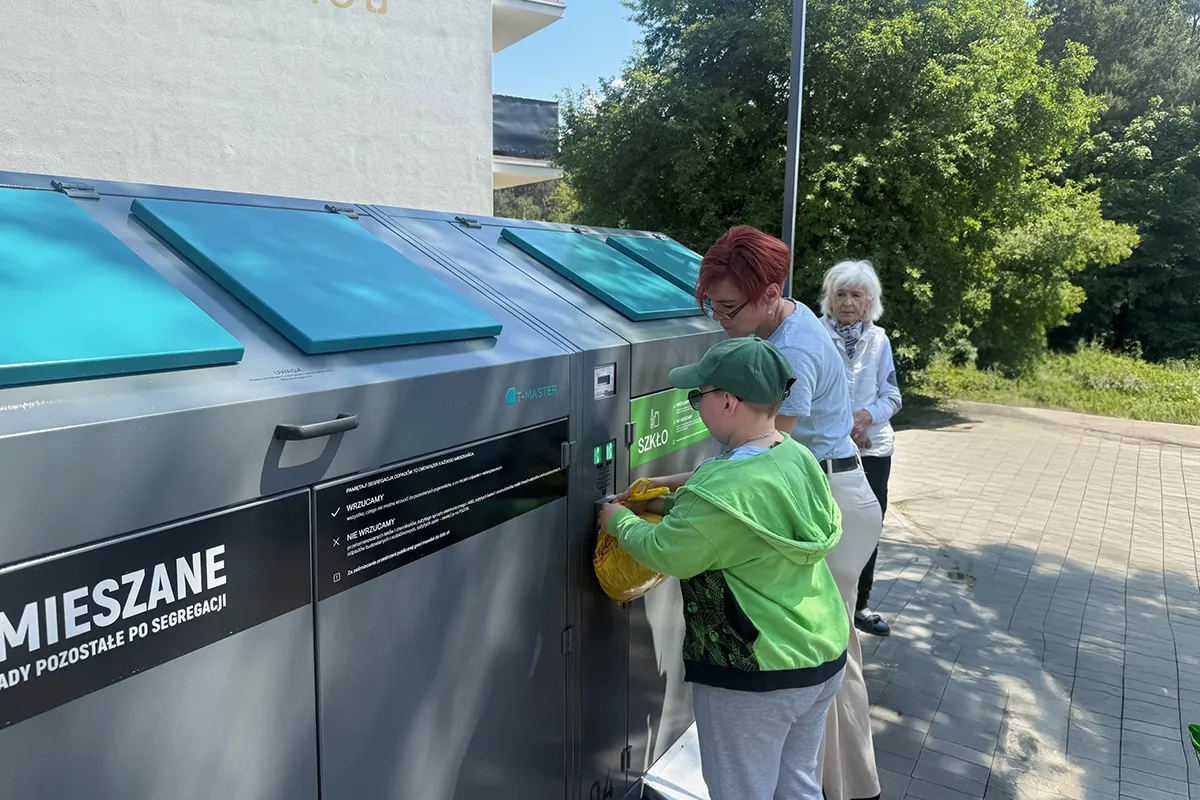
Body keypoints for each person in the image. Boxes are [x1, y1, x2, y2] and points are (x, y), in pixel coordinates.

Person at [599, 336, 850, 800]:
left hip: (757, 673)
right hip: (820, 652)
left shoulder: (726, 489)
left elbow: (668, 551)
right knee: (796, 783)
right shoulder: (793, 455)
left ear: (729, 401)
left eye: (699, 396)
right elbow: (736, 513)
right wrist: (668, 492)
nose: (695, 406)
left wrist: (620, 521)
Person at [695, 225, 882, 800]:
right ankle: (826, 785)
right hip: (827, 490)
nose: (719, 320)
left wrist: (680, 491)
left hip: (832, 498)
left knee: (827, 656)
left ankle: (850, 787)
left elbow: (765, 460)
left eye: (729, 307)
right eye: (711, 305)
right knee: (826, 652)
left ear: (771, 293)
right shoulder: (791, 324)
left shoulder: (792, 350)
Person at [820, 260, 902, 638]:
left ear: (869, 300)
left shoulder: (880, 340)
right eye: (840, 293)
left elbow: (892, 395)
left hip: (872, 450)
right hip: (828, 449)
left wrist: (866, 416)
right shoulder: (817, 335)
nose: (848, 302)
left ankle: (860, 604)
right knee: (825, 523)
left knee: (869, 525)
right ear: (829, 299)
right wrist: (844, 425)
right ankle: (823, 599)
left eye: (856, 294)